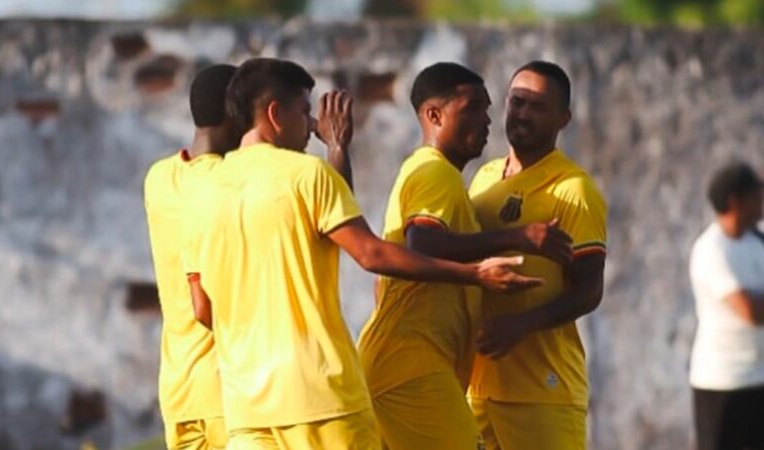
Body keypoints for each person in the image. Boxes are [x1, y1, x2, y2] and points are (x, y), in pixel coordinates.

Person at [183, 57, 544, 450]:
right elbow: (371, 253)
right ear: (274, 114)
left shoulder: (203, 191)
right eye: (305, 112)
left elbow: (204, 309)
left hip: (247, 406)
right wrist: (475, 273)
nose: (311, 126)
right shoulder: (307, 173)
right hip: (322, 396)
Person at [356, 62, 573, 450]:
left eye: (488, 107)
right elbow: (423, 244)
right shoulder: (434, 173)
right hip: (412, 370)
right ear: (434, 115)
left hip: (408, 367)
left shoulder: (445, 179)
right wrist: (516, 239)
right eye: (472, 107)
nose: (487, 119)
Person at [468, 60, 608, 450]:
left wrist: (521, 323)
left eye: (538, 106)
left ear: (563, 118)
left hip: (542, 391)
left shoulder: (573, 189)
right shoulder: (482, 177)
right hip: (477, 389)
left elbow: (589, 290)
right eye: (517, 102)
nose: (523, 113)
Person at [143, 64, 239, 450]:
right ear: (237, 114)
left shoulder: (159, 177)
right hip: (227, 392)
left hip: (179, 389)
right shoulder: (228, 182)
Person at [689, 162, 764, 450]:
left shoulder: (757, 241)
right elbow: (751, 312)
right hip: (723, 385)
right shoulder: (711, 250)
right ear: (735, 201)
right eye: (756, 195)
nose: (761, 201)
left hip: (758, 379)